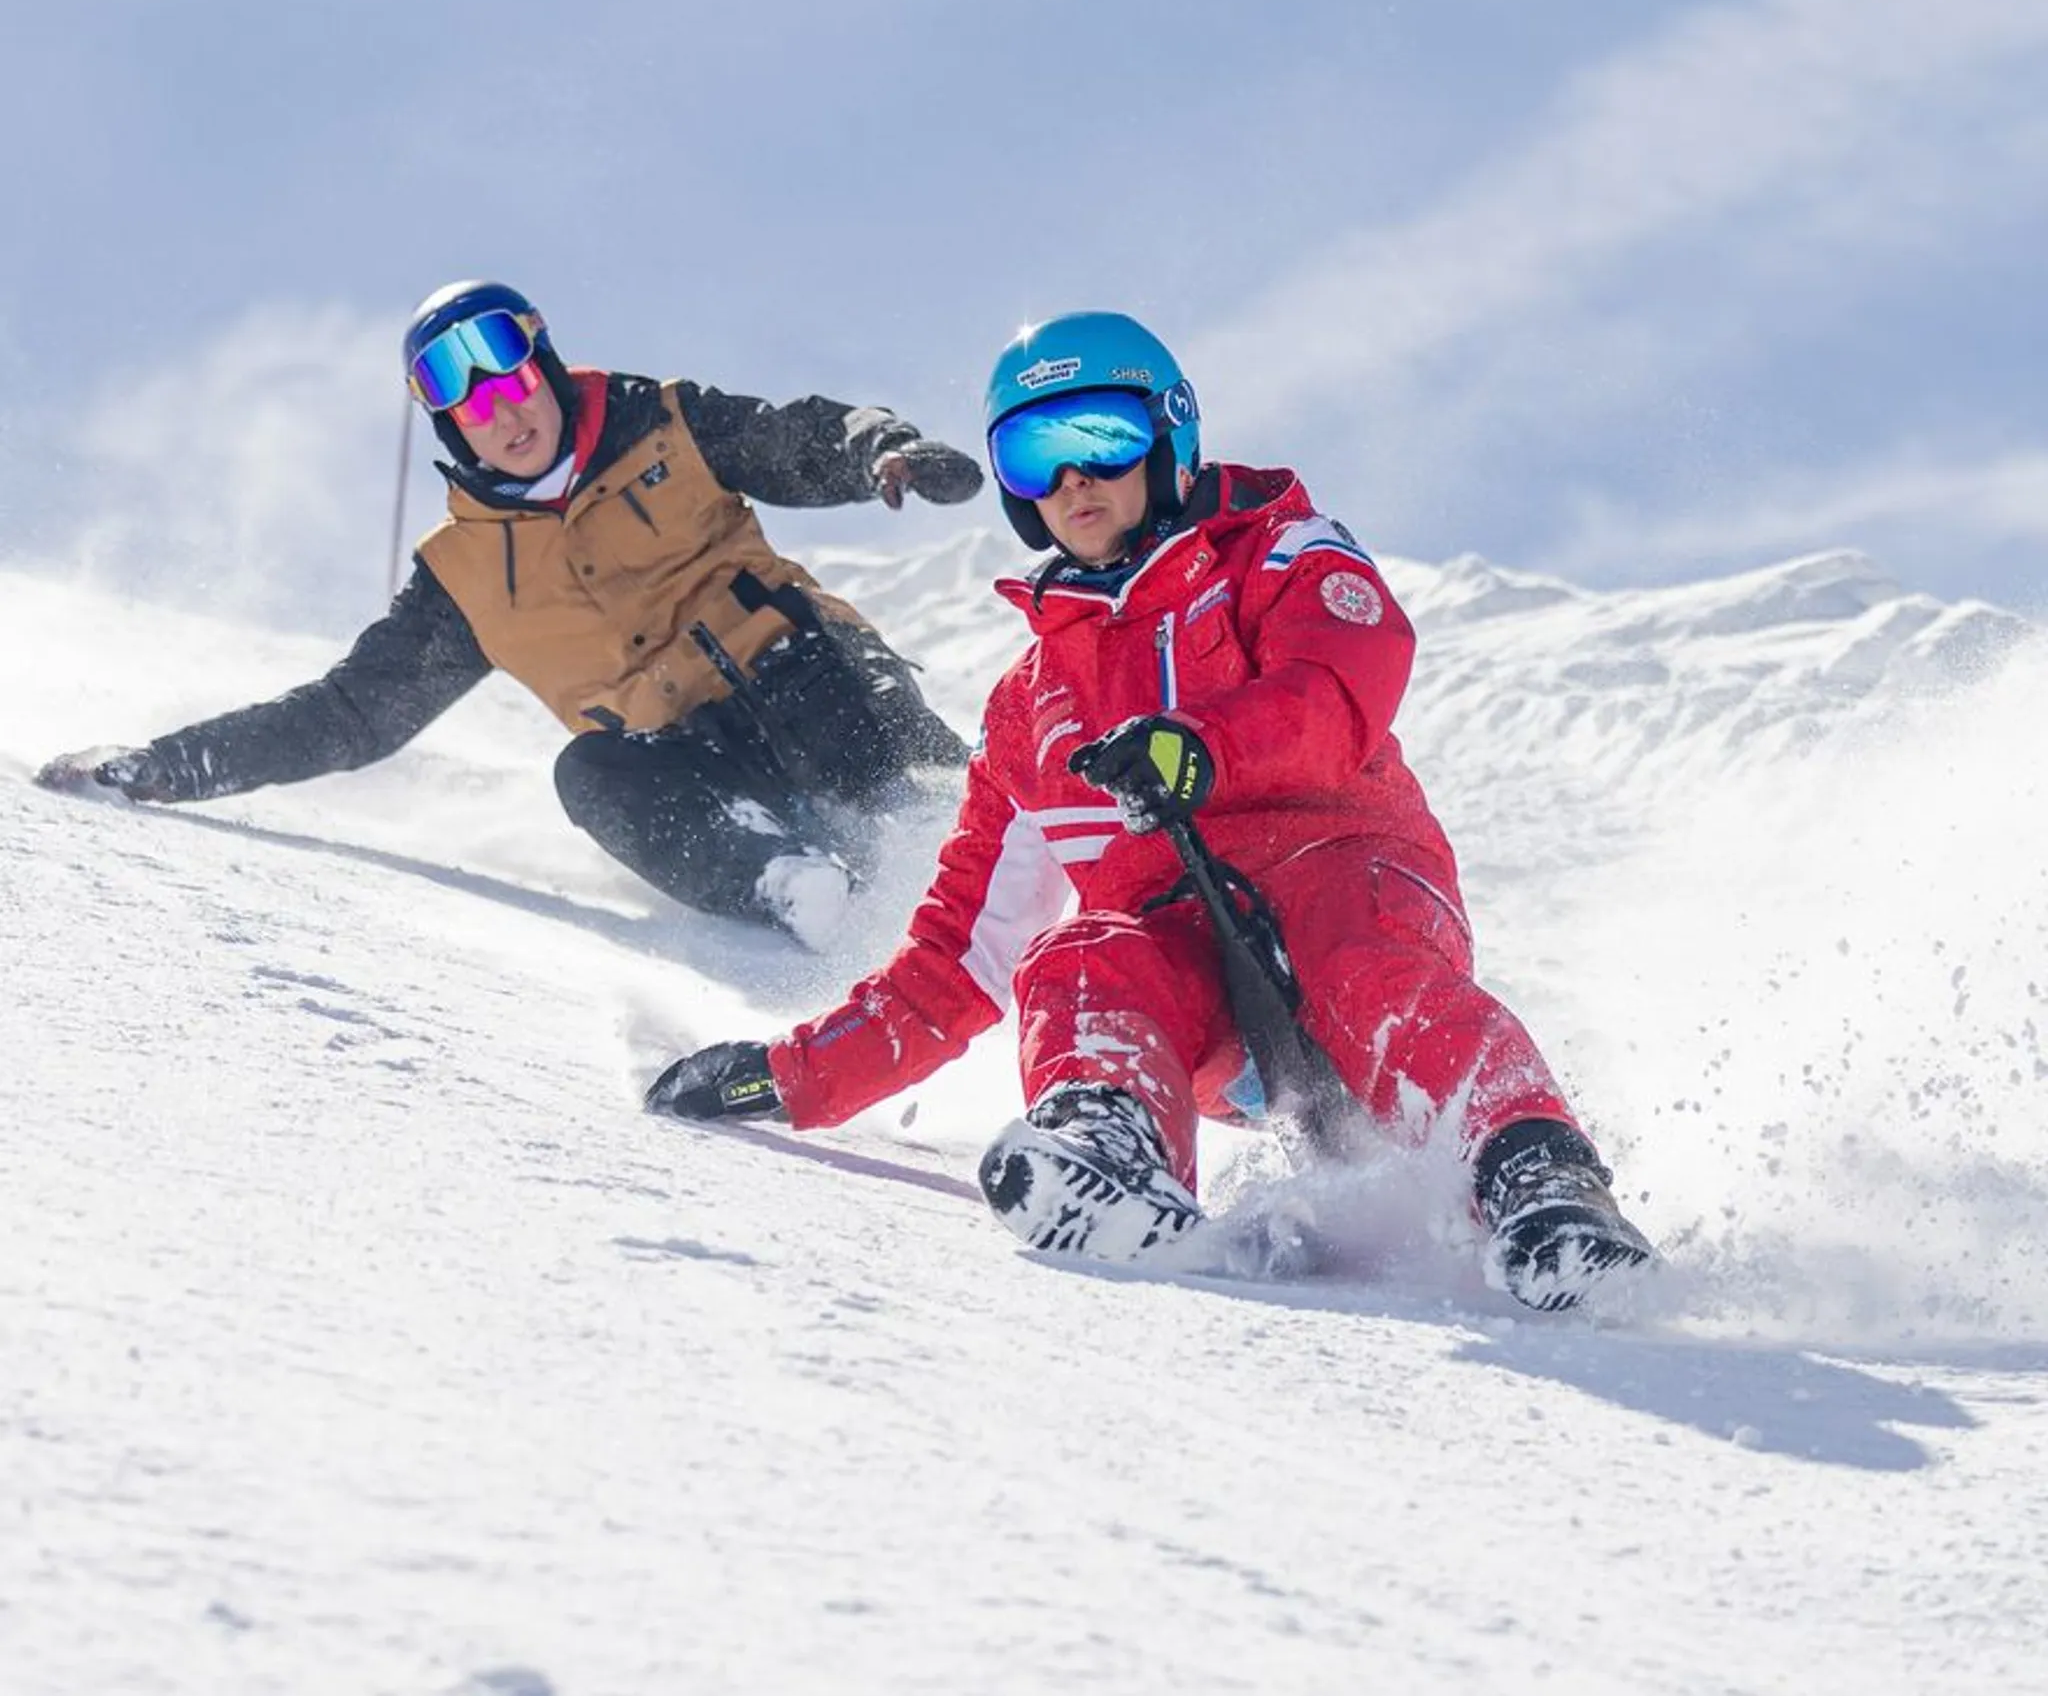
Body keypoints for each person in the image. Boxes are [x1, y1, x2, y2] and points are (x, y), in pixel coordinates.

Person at [640, 309, 1656, 1310]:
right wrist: (793, 1074)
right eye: (1035, 456)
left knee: (1358, 959)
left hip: (1348, 883)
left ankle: (1540, 1180)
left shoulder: (1274, 551)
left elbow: (1344, 680)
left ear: (1168, 435)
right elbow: (955, 959)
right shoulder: (1032, 709)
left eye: (1101, 438)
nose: (1072, 480)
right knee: (1078, 954)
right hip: (1200, 997)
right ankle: (1112, 1145)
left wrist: (1202, 745)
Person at [36, 280, 981, 948]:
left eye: (513, 379)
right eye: (471, 405)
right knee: (591, 771)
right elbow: (348, 715)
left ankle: (960, 824)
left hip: (813, 682)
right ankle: (796, 888)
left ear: (545, 365)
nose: (503, 413)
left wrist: (884, 452)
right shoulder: (464, 577)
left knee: (842, 711)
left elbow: (796, 437)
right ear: (449, 426)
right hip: (701, 768)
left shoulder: (664, 423)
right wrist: (165, 767)